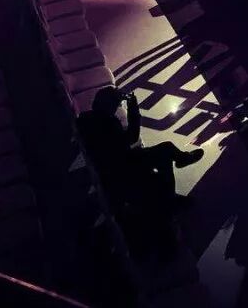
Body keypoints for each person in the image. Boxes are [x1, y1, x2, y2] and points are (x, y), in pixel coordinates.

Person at [77, 87, 205, 229]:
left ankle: (172, 191)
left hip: (114, 165)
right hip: (124, 169)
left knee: (165, 152)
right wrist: (133, 108)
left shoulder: (85, 118)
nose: (116, 108)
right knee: (165, 152)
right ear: (108, 104)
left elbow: (118, 143)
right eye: (116, 105)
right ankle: (171, 196)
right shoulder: (108, 121)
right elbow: (132, 137)